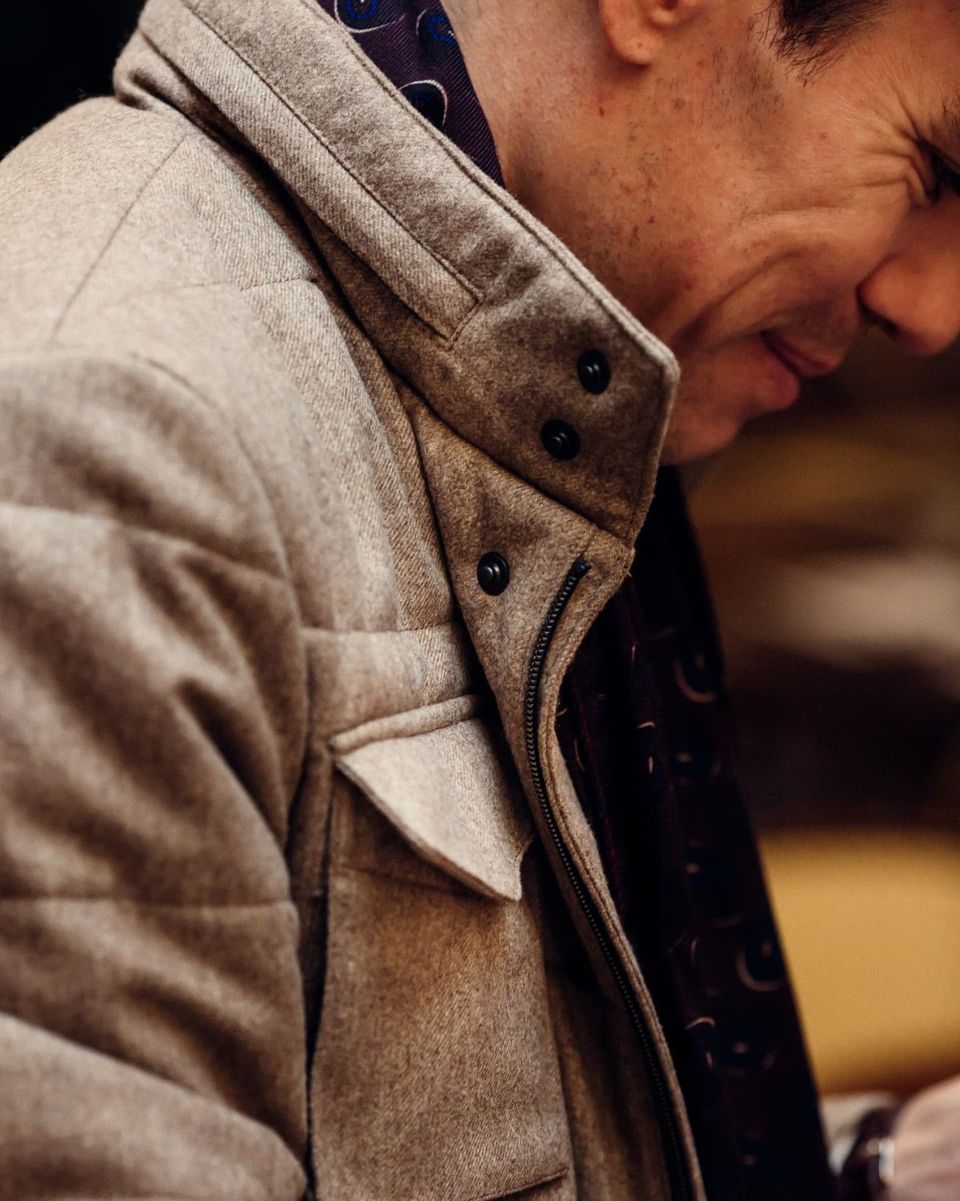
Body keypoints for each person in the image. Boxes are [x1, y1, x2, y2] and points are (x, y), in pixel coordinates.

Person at [0, 0, 958, 1197]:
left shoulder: (553, 385)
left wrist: (873, 1174)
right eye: (935, 169)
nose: (932, 312)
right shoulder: (89, 459)